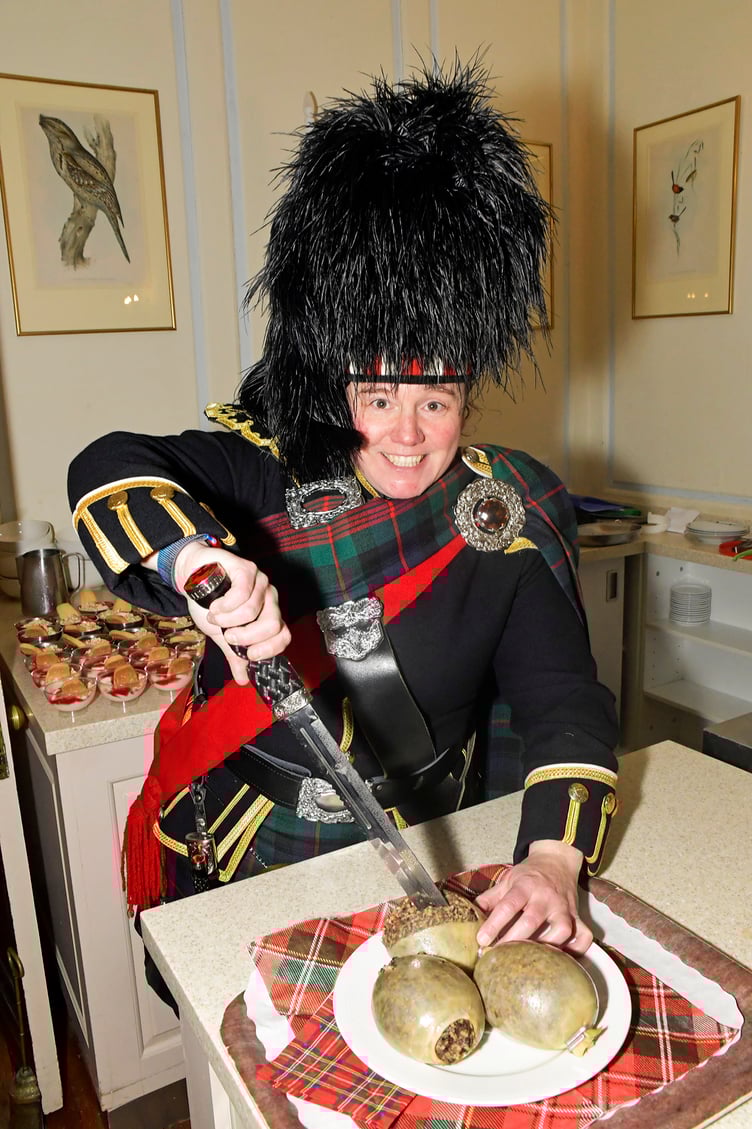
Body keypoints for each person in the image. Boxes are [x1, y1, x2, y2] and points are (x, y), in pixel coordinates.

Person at [68, 61, 618, 1005]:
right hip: (250, 844)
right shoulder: (264, 467)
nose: (407, 433)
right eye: (379, 397)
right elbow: (112, 461)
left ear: (467, 396)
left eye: (435, 400)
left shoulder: (508, 513)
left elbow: (563, 699)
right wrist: (197, 557)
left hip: (427, 842)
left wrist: (555, 862)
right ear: (339, 390)